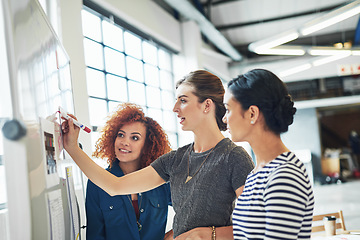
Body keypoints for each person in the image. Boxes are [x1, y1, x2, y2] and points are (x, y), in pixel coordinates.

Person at [62, 70, 254, 239]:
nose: (175, 108)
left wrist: (207, 234)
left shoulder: (233, 157)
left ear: (206, 105)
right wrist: (72, 148)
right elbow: (115, 186)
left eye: (183, 100)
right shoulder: (175, 159)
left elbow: (256, 226)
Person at [222, 69, 314, 239]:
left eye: (228, 109)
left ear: (252, 113)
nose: (224, 119)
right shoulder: (255, 174)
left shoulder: (285, 175)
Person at [85, 103, 173, 240]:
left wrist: (173, 235)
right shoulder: (97, 183)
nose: (124, 142)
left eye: (135, 137)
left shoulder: (161, 181)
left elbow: (192, 210)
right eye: (121, 135)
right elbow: (95, 235)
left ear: (147, 145)